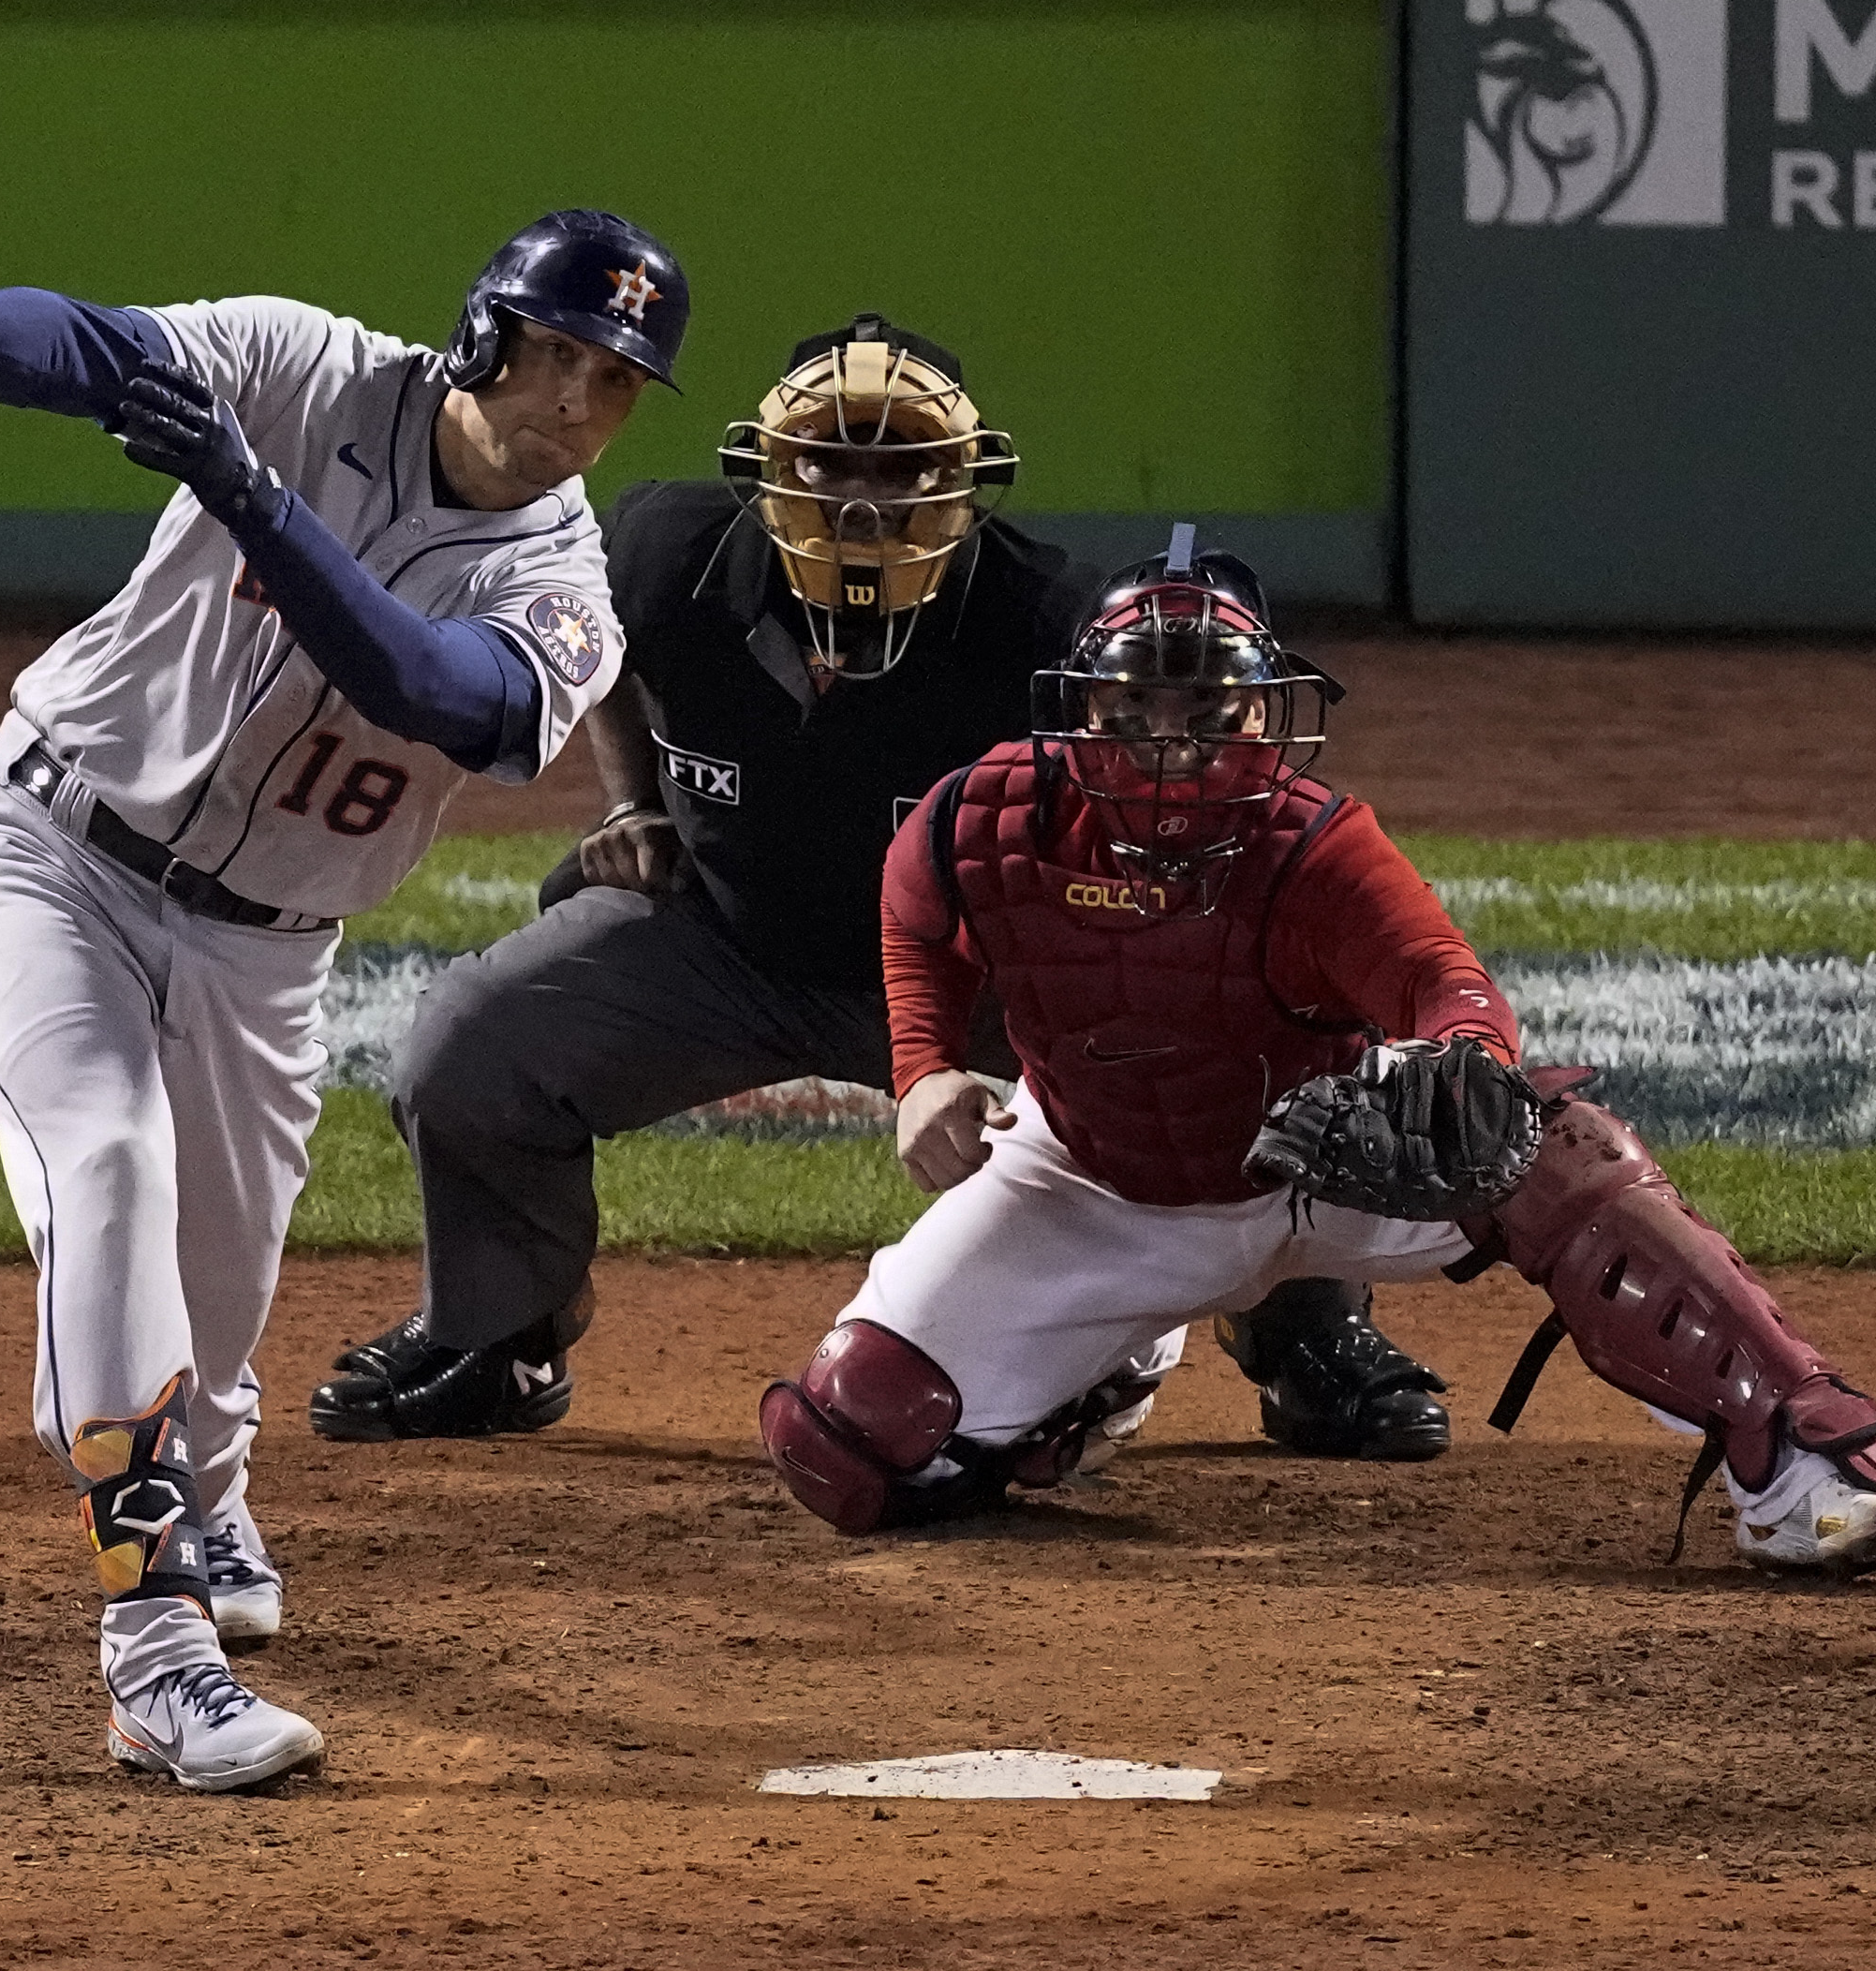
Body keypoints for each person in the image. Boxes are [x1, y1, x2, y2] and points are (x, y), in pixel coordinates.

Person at [0, 210, 690, 1788]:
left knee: (218, 1295)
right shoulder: (301, 364)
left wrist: (249, 497)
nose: (575, 406)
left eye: (615, 384)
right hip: (48, 858)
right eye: (556, 355)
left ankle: (205, 1481)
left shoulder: (567, 584)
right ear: (482, 334)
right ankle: (156, 1651)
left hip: (270, 952)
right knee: (106, 1171)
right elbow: (92, 343)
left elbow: (436, 690)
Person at [308, 319, 1455, 1468]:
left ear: (965, 480)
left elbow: (1173, 794)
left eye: (900, 468)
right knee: (473, 1045)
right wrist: (631, 801)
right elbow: (599, 646)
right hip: (727, 938)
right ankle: (500, 1335)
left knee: (1237, 1039)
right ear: (767, 464)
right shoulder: (662, 553)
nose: (863, 502)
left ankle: (1306, 1331)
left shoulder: (1048, 621)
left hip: (988, 972)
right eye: (830, 462)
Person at [755, 529, 1876, 1581]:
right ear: (1082, 710)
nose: (1168, 747)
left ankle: (1805, 1469)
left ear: (1261, 713)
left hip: (1319, 1163)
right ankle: (1094, 1372)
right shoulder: (982, 818)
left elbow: (1439, 977)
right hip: (1084, 1182)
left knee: (1557, 1151)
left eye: (1204, 714)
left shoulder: (1312, 848)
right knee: (850, 1447)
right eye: (1134, 713)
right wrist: (923, 1067)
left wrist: (1466, 1059)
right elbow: (915, 912)